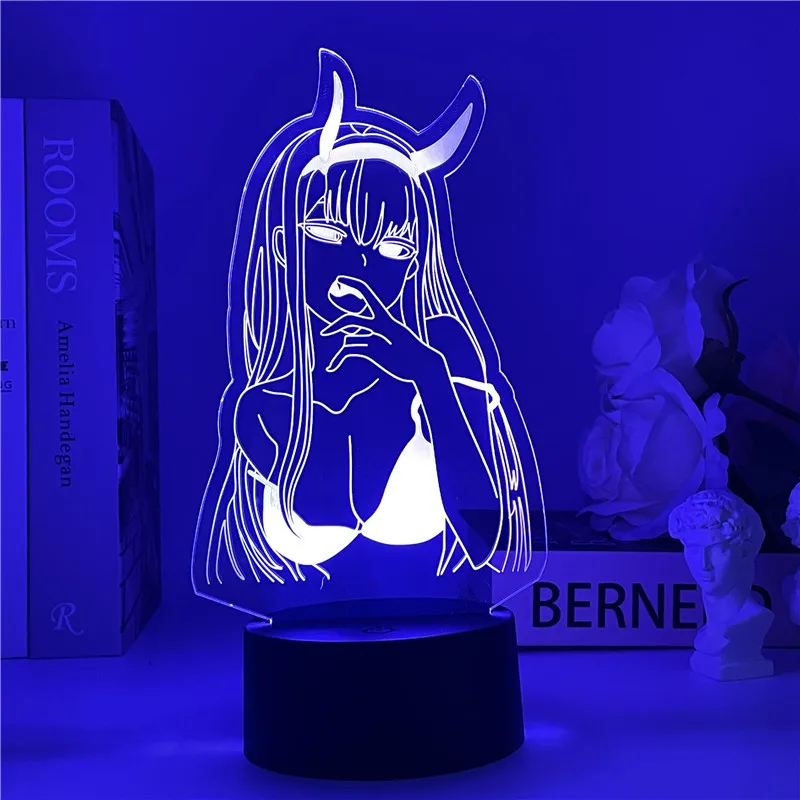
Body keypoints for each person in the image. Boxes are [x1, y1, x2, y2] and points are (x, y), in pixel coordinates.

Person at [192, 50, 547, 615]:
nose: (357, 271)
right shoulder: (260, 404)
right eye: (328, 235)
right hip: (302, 650)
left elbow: (499, 548)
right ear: (284, 246)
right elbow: (234, 577)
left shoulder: (443, 350)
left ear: (414, 264)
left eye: (393, 247)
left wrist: (428, 375)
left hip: (442, 641)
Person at [668, 488, 773, 680]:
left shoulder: (750, 622)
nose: (704, 564)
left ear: (744, 551)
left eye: (717, 550)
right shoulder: (708, 632)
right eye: (693, 549)